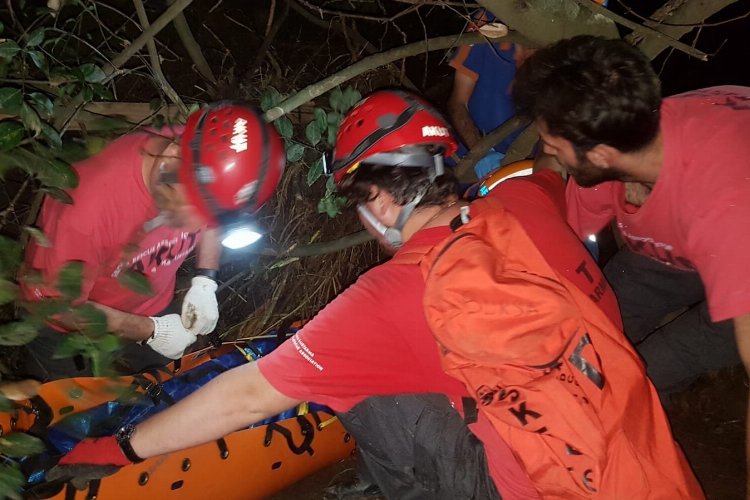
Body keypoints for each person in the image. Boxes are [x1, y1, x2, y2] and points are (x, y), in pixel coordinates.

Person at [53, 90, 700, 499]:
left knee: (359, 380)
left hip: (535, 485)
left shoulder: (393, 293)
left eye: (361, 199)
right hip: (650, 463)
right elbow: (562, 172)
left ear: (384, 197)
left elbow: (244, 396)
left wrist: (118, 448)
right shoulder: (524, 198)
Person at [512, 34, 750, 491]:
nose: (547, 157)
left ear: (598, 156)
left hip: (734, 234)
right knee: (593, 329)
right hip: (671, 240)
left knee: (642, 374)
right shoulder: (617, 133)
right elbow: (564, 266)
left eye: (552, 146)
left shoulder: (728, 206)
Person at [19, 102, 285, 382]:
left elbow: (214, 218)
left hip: (151, 307)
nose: (196, 226)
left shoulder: (201, 154)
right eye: (194, 209)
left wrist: (205, 280)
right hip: (68, 328)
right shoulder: (86, 209)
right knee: (70, 418)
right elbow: (59, 307)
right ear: (171, 158)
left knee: (164, 395)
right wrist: (150, 331)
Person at [447, 9, 532, 179]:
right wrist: (481, 153)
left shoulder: (558, 30)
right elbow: (458, 103)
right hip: (472, 158)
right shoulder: (486, 21)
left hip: (526, 159)